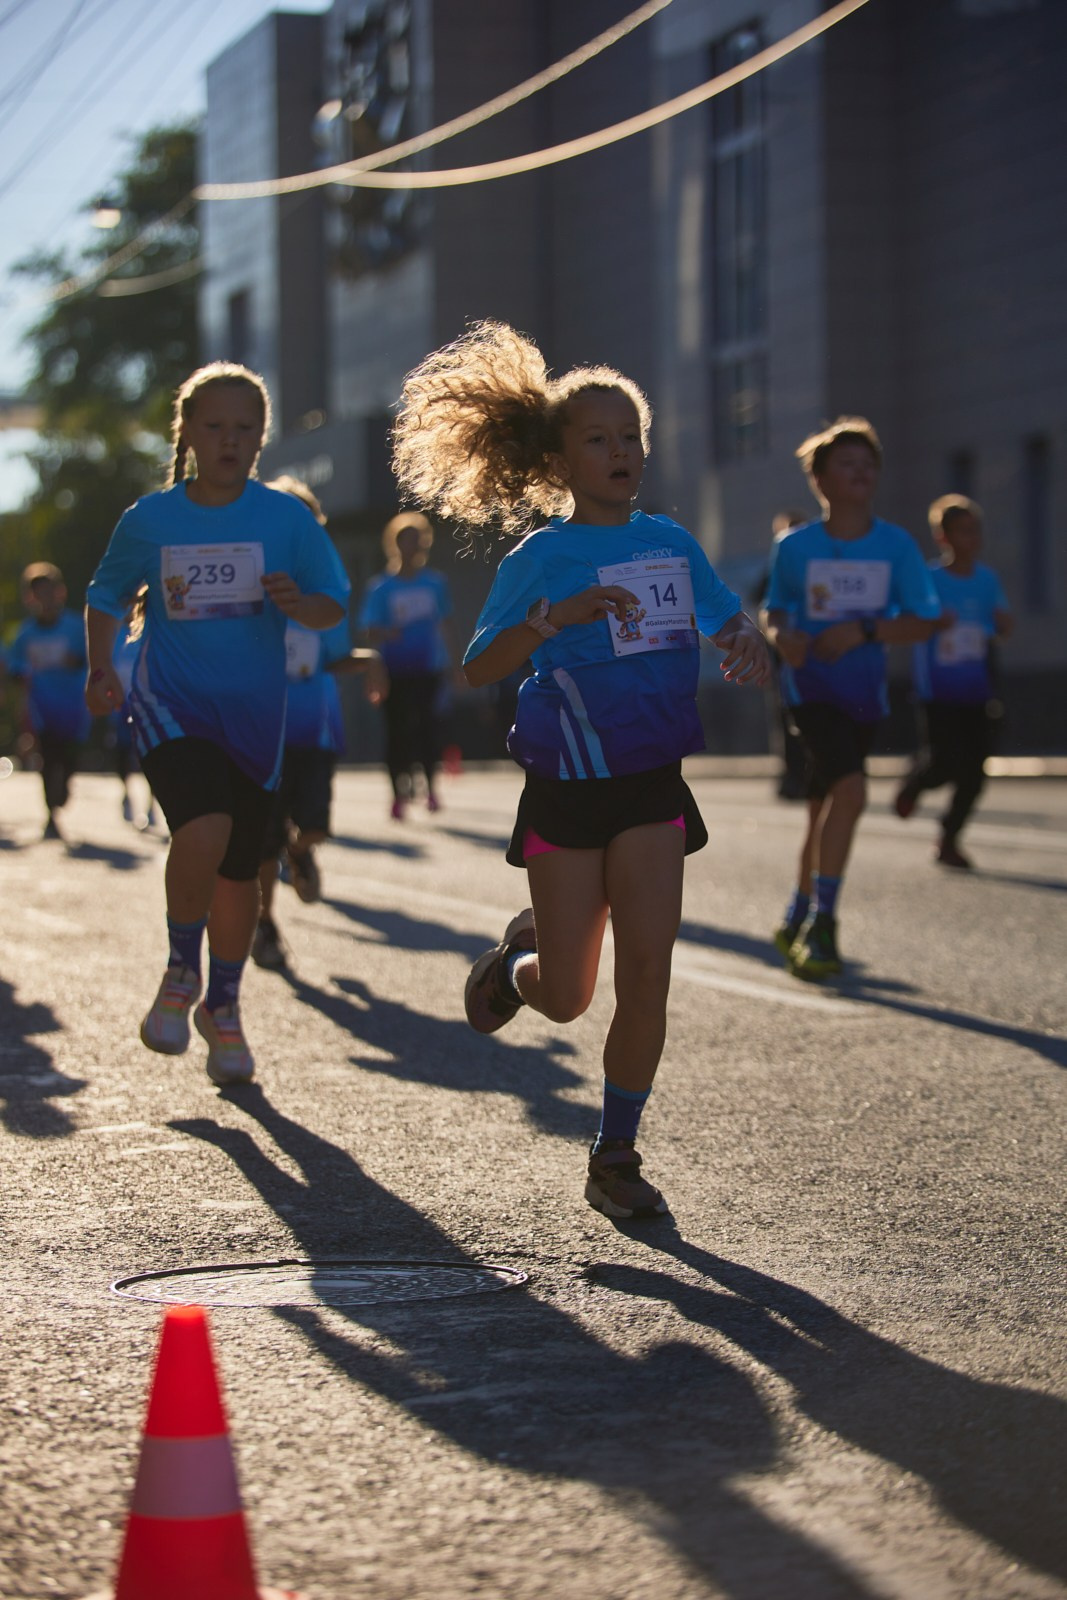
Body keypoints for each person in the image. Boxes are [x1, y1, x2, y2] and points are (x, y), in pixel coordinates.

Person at [391, 320, 769, 1219]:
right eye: (596, 439)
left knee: (648, 969)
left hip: (649, 783)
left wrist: (747, 642)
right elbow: (480, 666)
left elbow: (724, 617)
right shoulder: (542, 557)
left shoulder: (671, 543)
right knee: (565, 998)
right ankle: (512, 964)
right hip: (565, 786)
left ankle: (616, 1154)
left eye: (630, 436)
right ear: (558, 461)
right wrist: (552, 618)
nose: (619, 452)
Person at [84, 362, 350, 1086]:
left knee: (240, 875)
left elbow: (333, 603)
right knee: (201, 830)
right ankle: (180, 973)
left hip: (257, 721)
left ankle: (223, 1009)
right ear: (189, 433)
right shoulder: (151, 520)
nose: (230, 440)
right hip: (173, 704)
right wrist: (101, 666)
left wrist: (301, 604)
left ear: (261, 437)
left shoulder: (285, 520)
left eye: (245, 428)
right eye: (215, 426)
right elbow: (107, 595)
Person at [762, 417, 940, 982]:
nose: (861, 472)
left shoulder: (896, 545)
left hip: (865, 694)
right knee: (852, 791)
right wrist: (782, 636)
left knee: (824, 809)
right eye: (848, 463)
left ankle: (796, 912)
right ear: (821, 480)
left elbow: (923, 620)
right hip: (810, 691)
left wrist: (864, 633)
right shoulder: (795, 548)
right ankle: (824, 925)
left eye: (870, 463)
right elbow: (776, 610)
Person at [251, 476, 387, 971]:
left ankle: (301, 850)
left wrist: (369, 660)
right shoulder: (249, 587)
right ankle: (265, 924)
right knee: (261, 841)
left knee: (314, 825)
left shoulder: (324, 594)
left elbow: (332, 657)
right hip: (259, 737)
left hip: (314, 732)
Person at [893, 494, 1013, 869]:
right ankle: (915, 784)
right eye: (963, 531)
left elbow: (1002, 624)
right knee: (945, 763)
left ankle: (949, 839)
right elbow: (902, 622)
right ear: (943, 537)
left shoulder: (987, 579)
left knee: (975, 774)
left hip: (977, 690)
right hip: (938, 691)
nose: (972, 538)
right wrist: (931, 620)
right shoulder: (928, 580)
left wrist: (1003, 624)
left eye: (975, 530)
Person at [358, 511, 454, 819]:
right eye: (403, 541)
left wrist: (456, 663)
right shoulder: (381, 587)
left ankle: (431, 790)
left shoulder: (435, 583)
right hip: (394, 670)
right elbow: (367, 630)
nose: (409, 547)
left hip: (428, 669)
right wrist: (388, 634)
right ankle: (397, 795)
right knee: (397, 733)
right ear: (394, 545)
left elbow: (446, 624)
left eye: (415, 540)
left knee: (428, 729)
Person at [8, 562, 89, 840]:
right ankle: (50, 814)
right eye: (37, 593)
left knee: (68, 756)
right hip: (41, 706)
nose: (44, 599)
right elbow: (14, 667)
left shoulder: (76, 625)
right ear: (30, 598)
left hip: (72, 705)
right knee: (48, 755)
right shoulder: (25, 633)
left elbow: (89, 660)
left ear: (60, 593)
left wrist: (74, 661)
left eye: (48, 592)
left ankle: (63, 789)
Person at [752, 510, 809, 800]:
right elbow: (760, 599)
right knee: (787, 720)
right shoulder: (776, 567)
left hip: (815, 653)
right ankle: (792, 777)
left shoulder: (815, 565)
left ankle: (812, 776)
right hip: (783, 657)